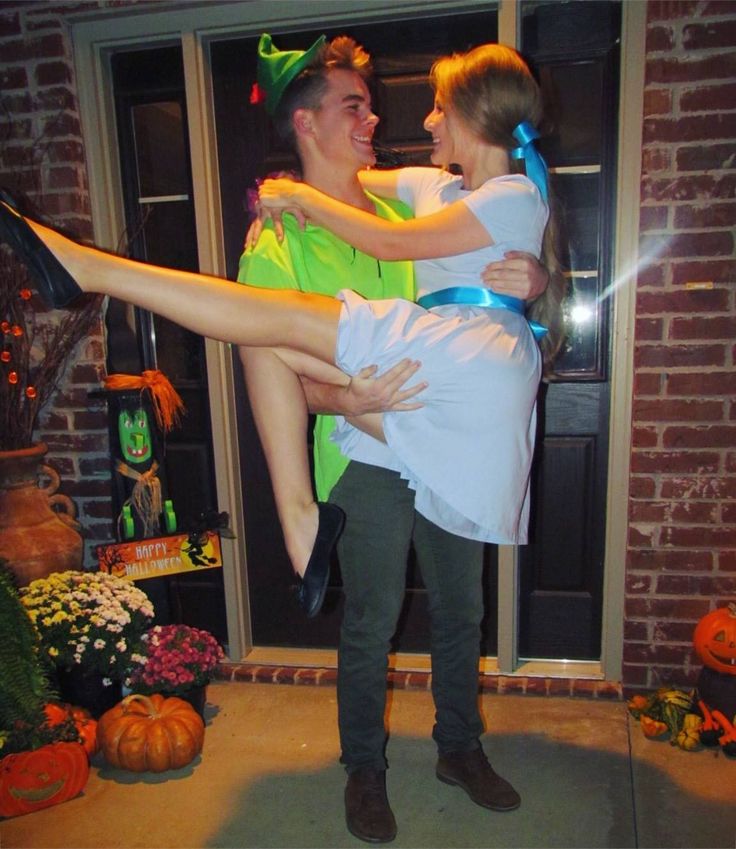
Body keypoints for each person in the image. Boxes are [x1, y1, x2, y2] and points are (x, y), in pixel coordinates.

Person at [0, 36, 559, 847]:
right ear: (306, 122)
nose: (379, 118)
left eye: (374, 104)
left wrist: (535, 277)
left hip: (445, 425)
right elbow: (276, 370)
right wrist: (352, 396)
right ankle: (364, 767)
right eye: (354, 106)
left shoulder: (413, 206)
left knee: (460, 609)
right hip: (365, 445)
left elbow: (492, 249)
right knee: (370, 617)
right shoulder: (279, 242)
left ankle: (459, 747)